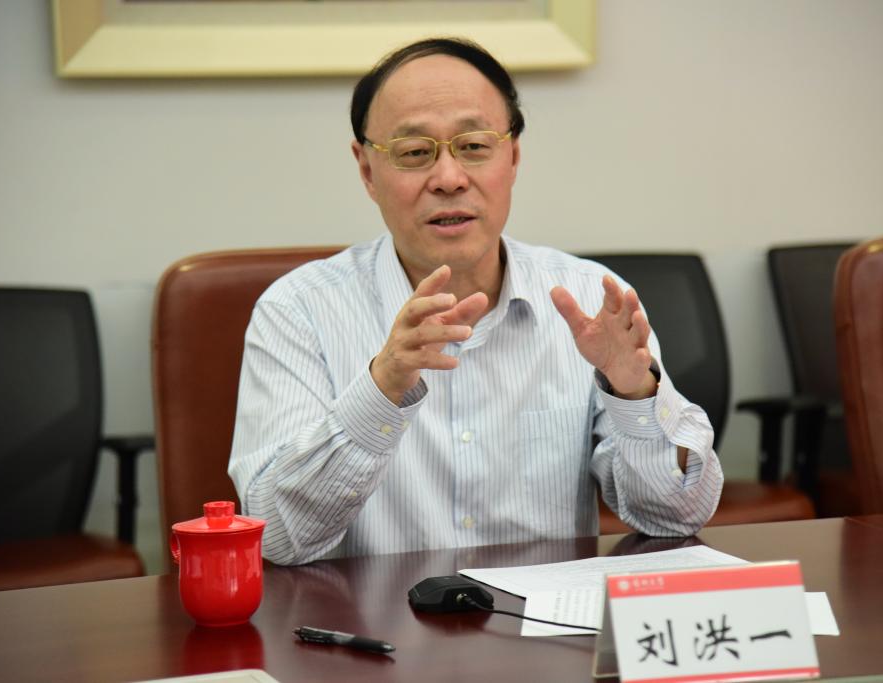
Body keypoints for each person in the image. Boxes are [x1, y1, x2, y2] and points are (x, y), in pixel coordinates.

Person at [228, 37, 723, 566]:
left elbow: (677, 517)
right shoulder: (298, 312)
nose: (448, 179)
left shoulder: (587, 301)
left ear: (513, 156)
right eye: (414, 153)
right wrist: (382, 388)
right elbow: (277, 539)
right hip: (374, 618)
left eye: (474, 146)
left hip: (545, 618)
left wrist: (633, 394)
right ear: (367, 170)